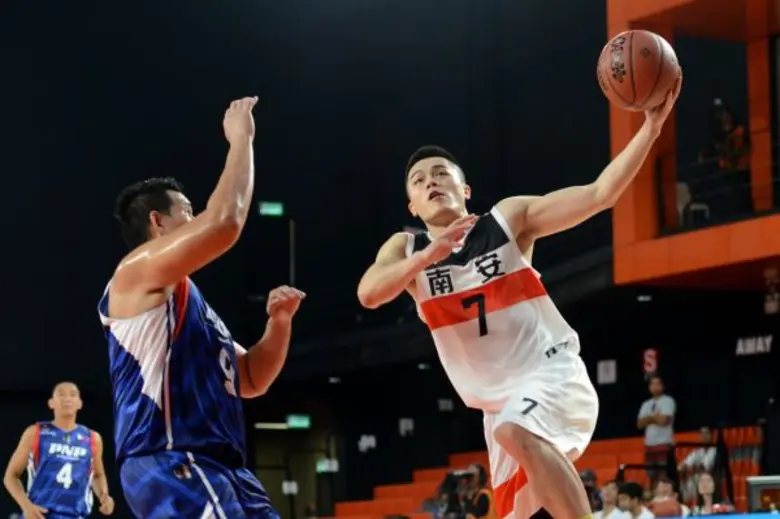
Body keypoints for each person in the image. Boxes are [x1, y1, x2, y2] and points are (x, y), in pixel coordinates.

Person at [357, 79, 681, 519]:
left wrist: (651, 128)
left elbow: (599, 195)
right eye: (418, 180)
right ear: (412, 206)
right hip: (500, 408)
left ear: (465, 189)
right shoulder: (406, 250)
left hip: (550, 373)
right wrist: (429, 256)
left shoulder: (507, 220)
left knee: (516, 429)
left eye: (441, 173)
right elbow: (370, 294)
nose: (430, 181)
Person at [97, 97, 305, 518]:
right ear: (158, 222)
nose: (196, 220)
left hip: (225, 468)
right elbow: (225, 222)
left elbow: (250, 379)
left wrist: (278, 323)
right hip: (171, 458)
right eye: (188, 212)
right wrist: (241, 141)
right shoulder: (134, 274)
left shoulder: (195, 304)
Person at [3, 381, 114, 519]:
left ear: (80, 403)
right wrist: (26, 506)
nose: (67, 398)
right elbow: (11, 476)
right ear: (51, 403)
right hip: (41, 513)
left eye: (72, 394)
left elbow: (97, 475)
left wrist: (104, 496)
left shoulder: (92, 438)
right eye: (61, 394)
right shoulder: (36, 432)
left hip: (75, 515)